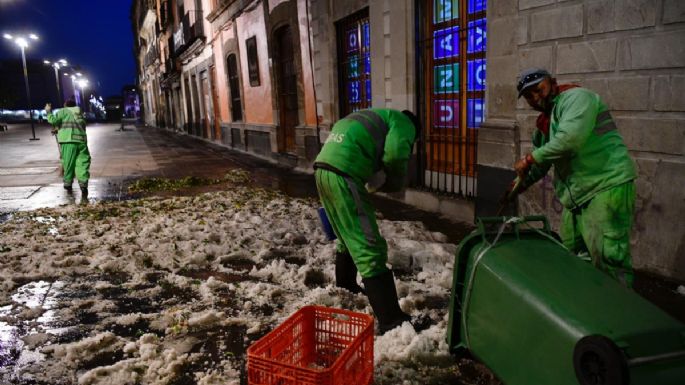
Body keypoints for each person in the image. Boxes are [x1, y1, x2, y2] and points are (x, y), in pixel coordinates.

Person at [510, 68, 637, 287]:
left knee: (609, 261)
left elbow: (570, 141)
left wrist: (529, 158)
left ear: (552, 82)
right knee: (574, 256)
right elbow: (541, 164)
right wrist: (518, 186)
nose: (535, 97)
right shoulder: (545, 123)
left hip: (606, 186)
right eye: (529, 95)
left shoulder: (577, 99)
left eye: (538, 89)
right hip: (578, 196)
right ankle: (588, 307)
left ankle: (618, 313)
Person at [314, 108, 420, 334]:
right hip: (344, 174)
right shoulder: (404, 123)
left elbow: (362, 146)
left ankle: (346, 285)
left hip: (322, 169)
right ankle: (392, 320)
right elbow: (395, 154)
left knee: (345, 235)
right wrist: (394, 185)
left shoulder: (377, 115)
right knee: (368, 244)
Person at [46, 99, 91, 197]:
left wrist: (48, 112)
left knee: (69, 162)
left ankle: (68, 183)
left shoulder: (63, 111)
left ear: (65, 105)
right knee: (82, 162)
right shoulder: (79, 113)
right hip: (81, 141)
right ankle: (83, 184)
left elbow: (53, 120)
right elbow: (74, 126)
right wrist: (58, 130)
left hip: (68, 141)